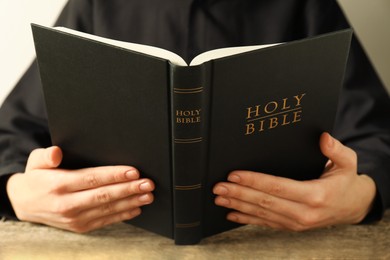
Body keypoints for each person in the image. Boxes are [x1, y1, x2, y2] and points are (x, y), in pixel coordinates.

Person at [1, 0, 389, 233]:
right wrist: (16, 193)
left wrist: (363, 196)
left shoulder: (305, 3)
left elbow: (376, 131)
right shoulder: (97, 3)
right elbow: (12, 131)